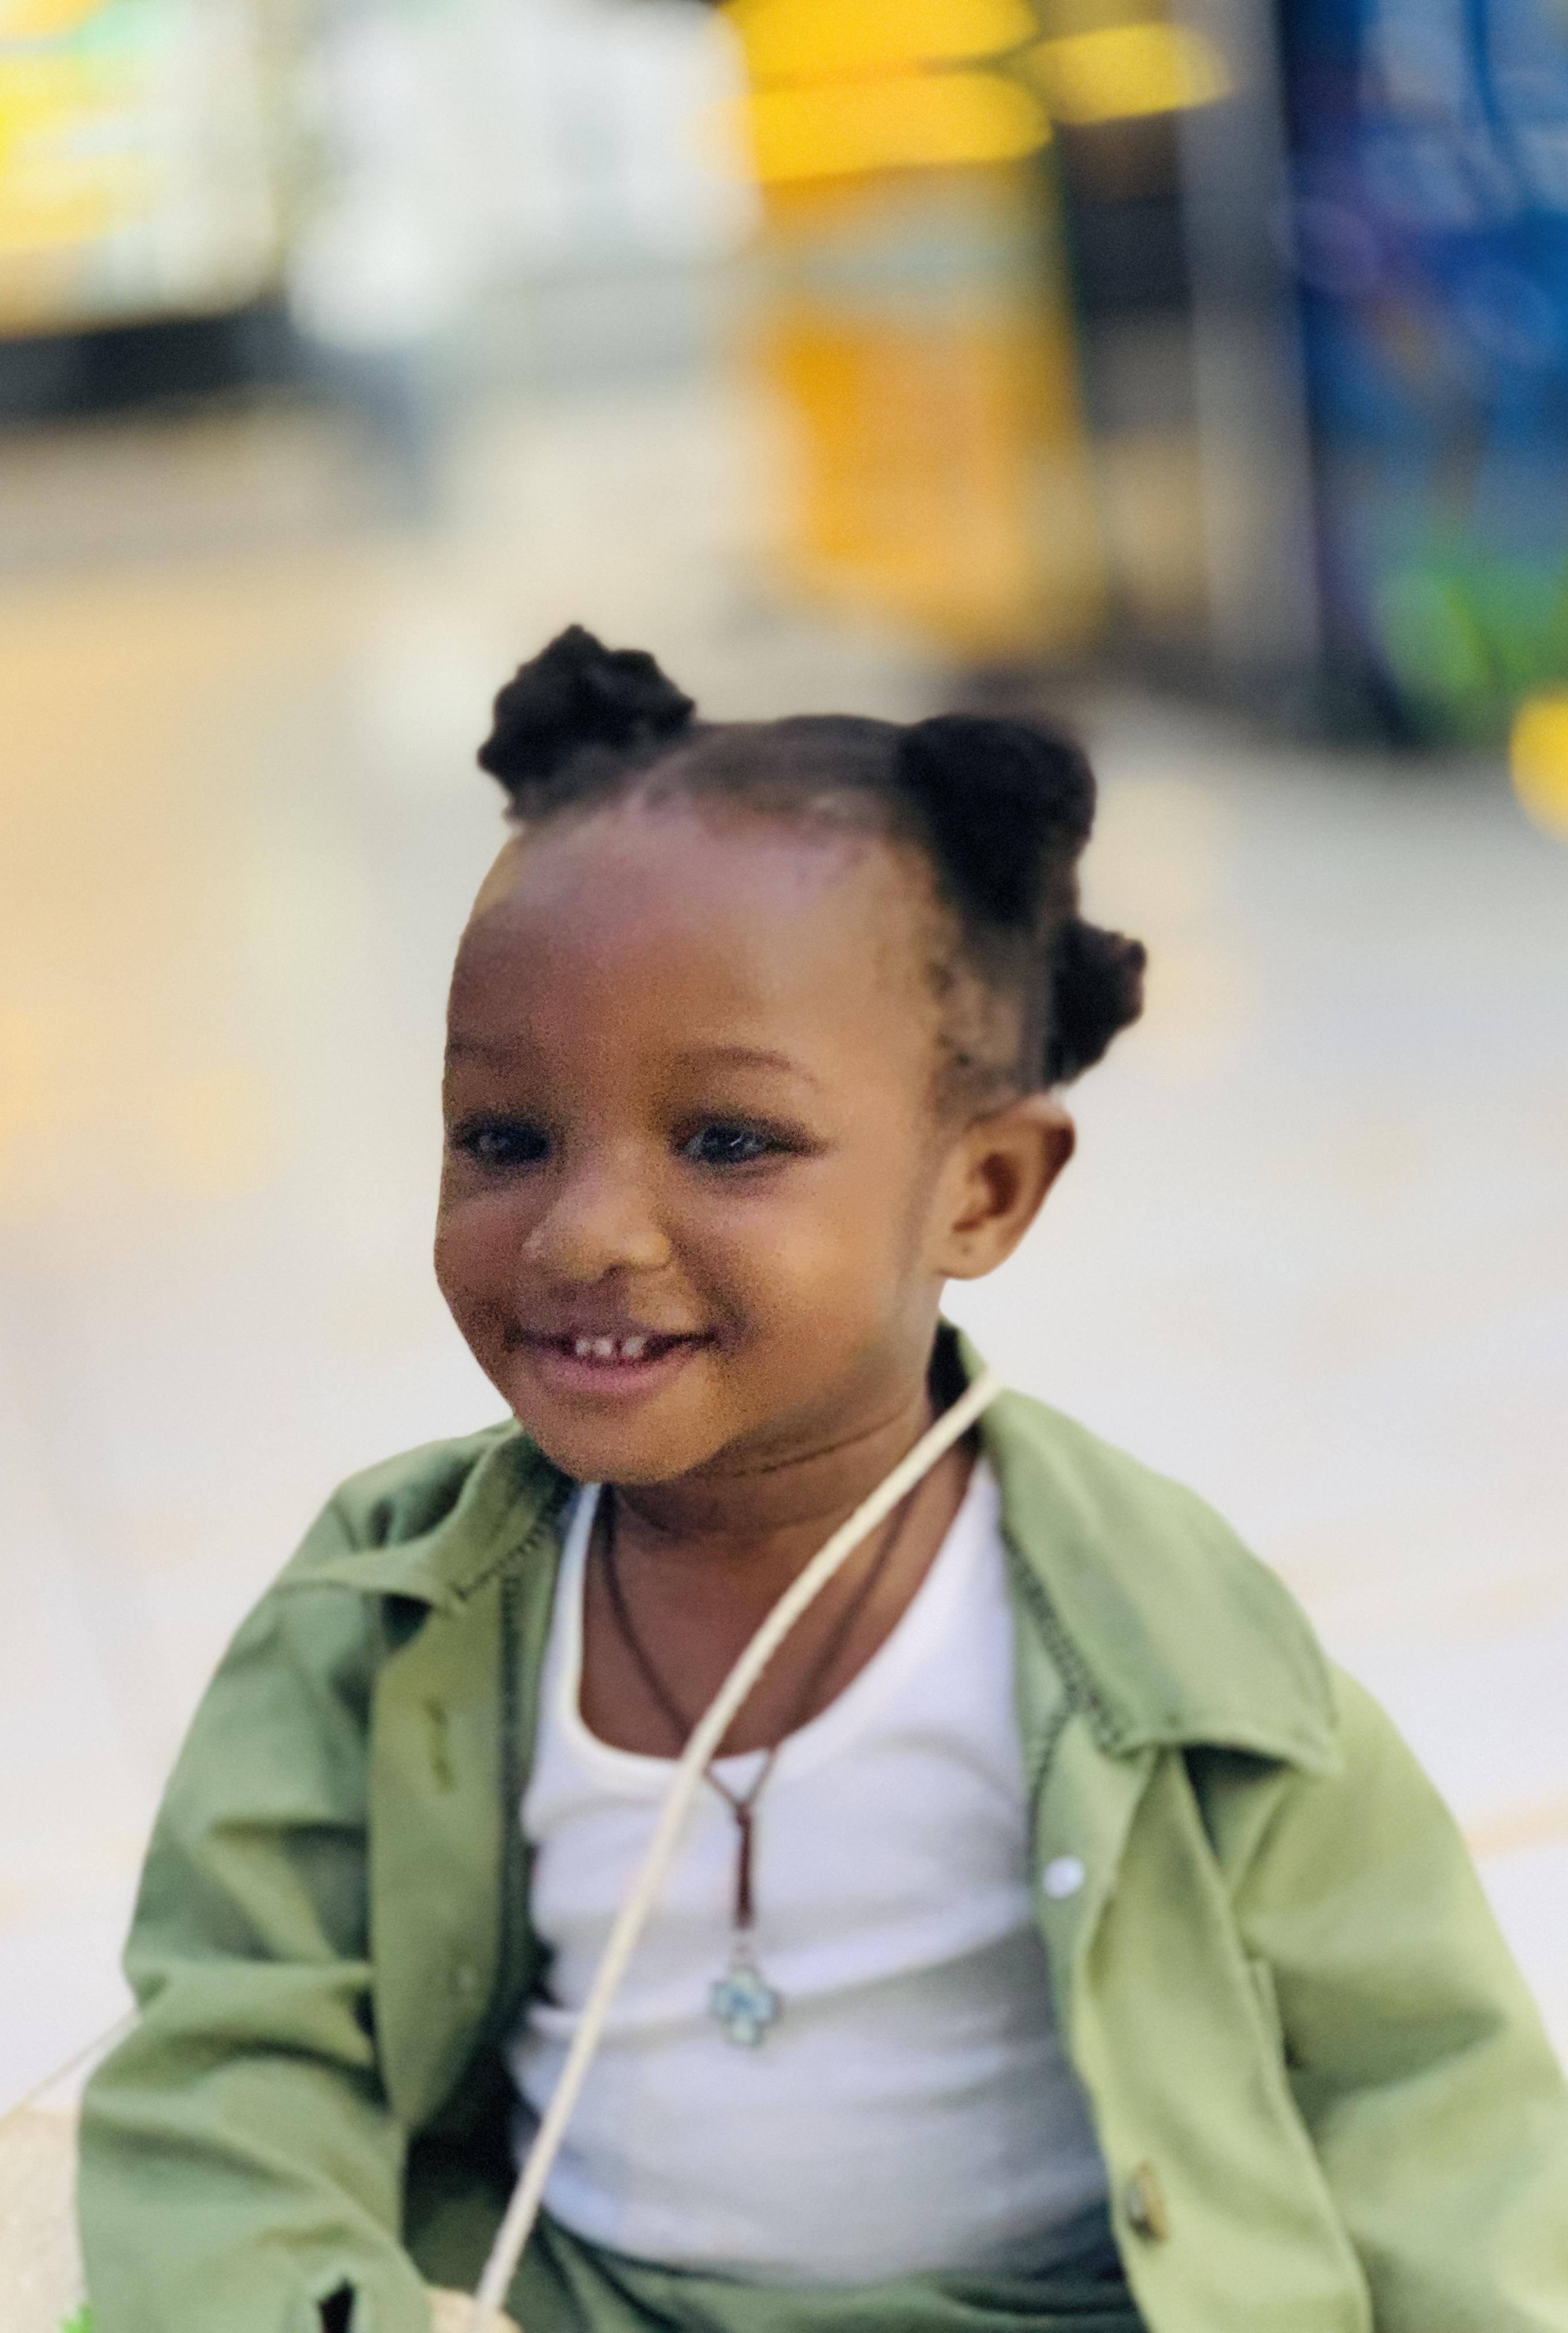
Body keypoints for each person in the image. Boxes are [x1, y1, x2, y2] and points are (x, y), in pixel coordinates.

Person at [78, 628, 1568, 2333]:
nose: (585, 1232)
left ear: (983, 1193)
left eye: (729, 1142)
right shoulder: (384, 1605)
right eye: (505, 1139)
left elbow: (1423, 2087)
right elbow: (240, 2049)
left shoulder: (1161, 1640)